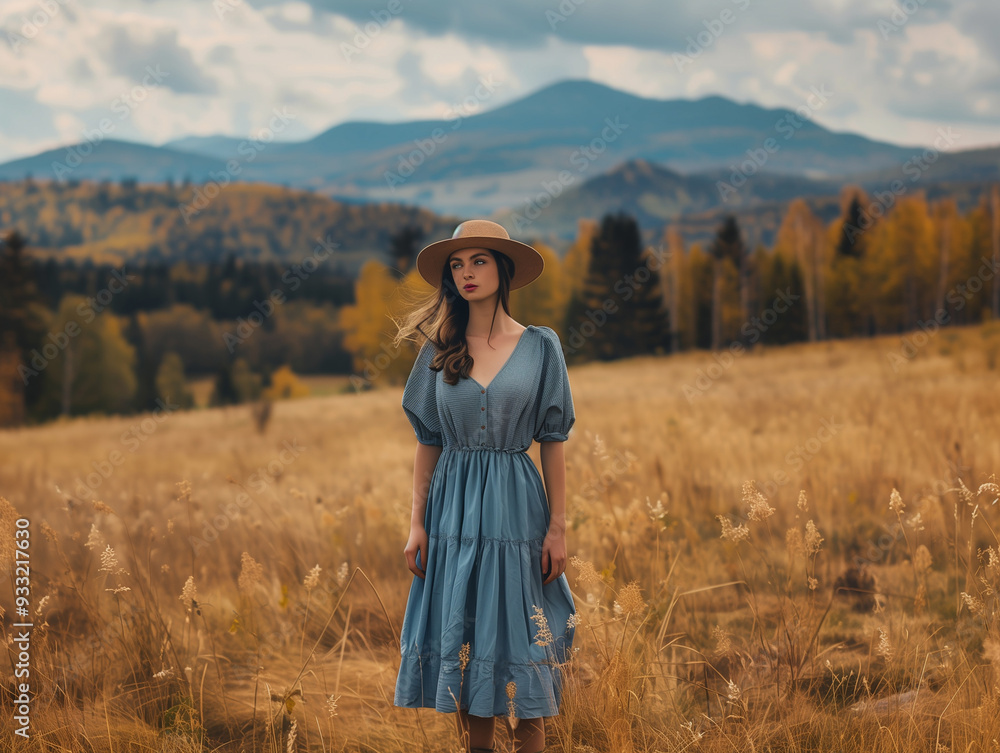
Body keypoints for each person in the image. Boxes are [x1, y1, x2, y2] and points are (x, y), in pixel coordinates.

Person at [391, 220, 577, 753]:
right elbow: (428, 441)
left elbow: (553, 439)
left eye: (479, 261)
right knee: (468, 651)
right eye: (457, 264)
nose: (467, 273)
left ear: (503, 269)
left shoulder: (542, 347)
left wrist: (557, 529)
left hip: (518, 512)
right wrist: (416, 523)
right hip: (453, 515)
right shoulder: (438, 350)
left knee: (524, 658)